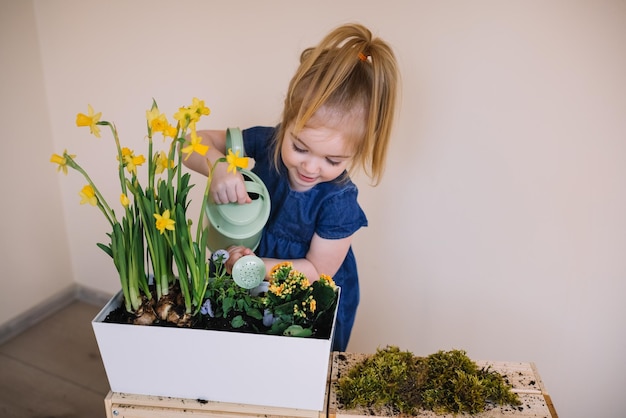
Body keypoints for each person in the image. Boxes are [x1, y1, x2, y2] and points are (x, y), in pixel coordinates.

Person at [183, 23, 399, 351]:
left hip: (308, 298)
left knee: (298, 372)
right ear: (287, 120)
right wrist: (218, 166)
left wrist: (252, 266)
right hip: (250, 279)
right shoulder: (265, 143)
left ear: (356, 151)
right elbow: (191, 143)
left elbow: (316, 270)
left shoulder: (338, 201)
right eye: (299, 147)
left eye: (333, 159)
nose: (310, 167)